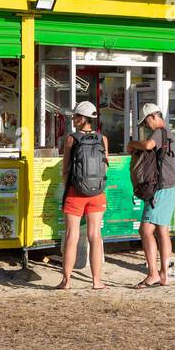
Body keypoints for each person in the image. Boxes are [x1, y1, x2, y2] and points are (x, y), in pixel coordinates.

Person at [126, 102, 175, 288]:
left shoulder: (159, 132)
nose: (146, 125)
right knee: (163, 231)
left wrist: (132, 144)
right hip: (171, 188)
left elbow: (148, 145)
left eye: (146, 121)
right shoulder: (171, 134)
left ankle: (153, 274)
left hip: (162, 190)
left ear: (154, 117)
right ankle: (164, 275)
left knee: (145, 230)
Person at [60, 101, 108, 290]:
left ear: (82, 119)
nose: (73, 119)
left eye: (75, 116)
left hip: (76, 192)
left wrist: (68, 189)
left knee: (72, 235)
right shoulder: (102, 139)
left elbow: (65, 169)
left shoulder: (72, 139)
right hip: (98, 193)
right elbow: (105, 165)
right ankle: (97, 281)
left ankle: (66, 281)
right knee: (95, 235)